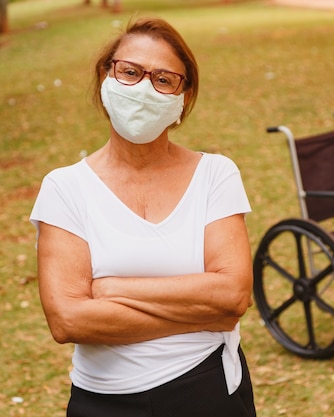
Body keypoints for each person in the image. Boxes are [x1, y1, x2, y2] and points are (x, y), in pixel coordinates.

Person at [30, 17, 256, 417]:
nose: (144, 89)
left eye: (165, 79)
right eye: (130, 72)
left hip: (207, 385)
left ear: (183, 98)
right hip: (102, 401)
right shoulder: (64, 188)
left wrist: (112, 288)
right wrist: (203, 317)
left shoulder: (216, 174)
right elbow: (68, 320)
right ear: (105, 75)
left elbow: (233, 296)